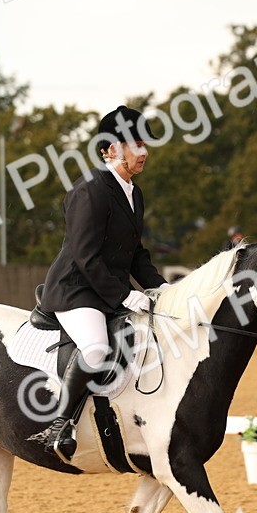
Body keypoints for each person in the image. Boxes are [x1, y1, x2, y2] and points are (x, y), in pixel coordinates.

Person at [34, 105, 168, 462]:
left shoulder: (133, 192)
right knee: (95, 349)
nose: (144, 152)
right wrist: (125, 295)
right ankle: (59, 423)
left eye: (145, 144)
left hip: (105, 292)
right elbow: (85, 256)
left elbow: (135, 252)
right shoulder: (90, 190)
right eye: (136, 144)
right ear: (111, 148)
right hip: (76, 291)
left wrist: (160, 287)